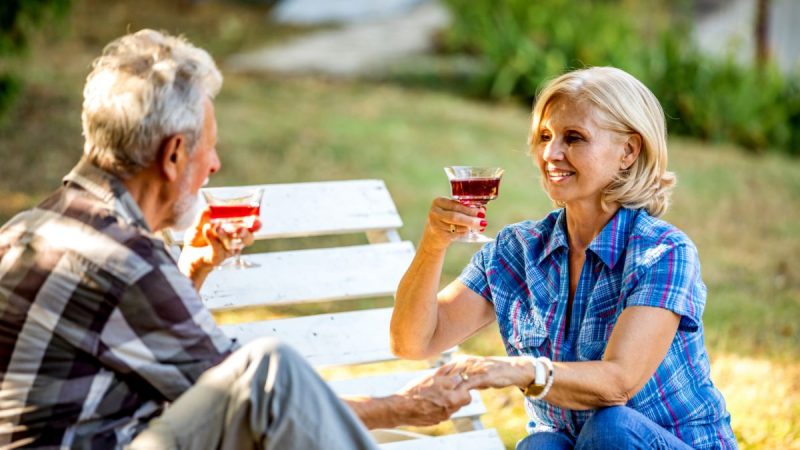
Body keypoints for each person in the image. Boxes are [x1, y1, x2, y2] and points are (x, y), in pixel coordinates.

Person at [0, 29, 471, 450]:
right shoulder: (124, 260)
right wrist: (402, 407)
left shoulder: (27, 229)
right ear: (174, 154)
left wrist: (191, 271)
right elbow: (245, 396)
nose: (215, 164)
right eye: (209, 147)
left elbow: (165, 370)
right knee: (267, 371)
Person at [391, 66, 738, 449]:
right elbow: (413, 342)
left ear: (628, 151)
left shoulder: (662, 252)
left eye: (573, 138)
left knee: (610, 427)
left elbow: (618, 384)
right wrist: (433, 244)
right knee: (540, 445)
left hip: (667, 442)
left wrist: (522, 370)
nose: (550, 153)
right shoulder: (518, 250)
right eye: (545, 136)